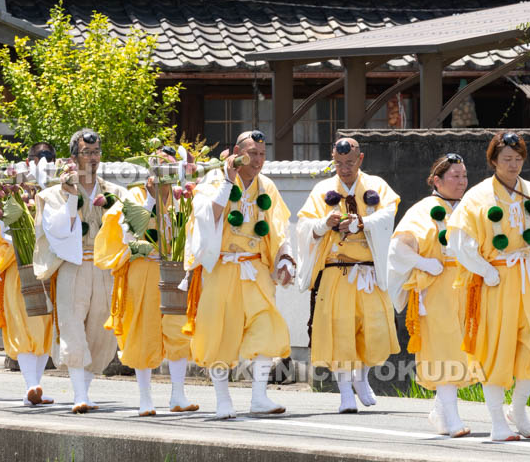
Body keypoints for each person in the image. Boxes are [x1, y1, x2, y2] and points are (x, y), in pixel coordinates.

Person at [447, 131, 530, 441]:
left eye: (518, 159)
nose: (513, 164)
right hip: (495, 281)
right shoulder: (477, 196)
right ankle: (497, 420)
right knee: (495, 349)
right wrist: (484, 270)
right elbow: (459, 241)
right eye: (507, 159)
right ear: (494, 160)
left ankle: (517, 408)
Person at [183, 131, 296, 418]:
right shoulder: (213, 179)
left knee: (267, 326)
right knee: (218, 332)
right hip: (221, 267)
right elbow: (208, 217)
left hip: (255, 267)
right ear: (237, 152)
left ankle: (259, 396)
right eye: (252, 154)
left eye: (262, 154)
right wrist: (228, 180)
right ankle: (223, 400)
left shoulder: (267, 186)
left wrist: (285, 259)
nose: (258, 160)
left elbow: (279, 226)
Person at [296, 138, 400, 414]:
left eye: (349, 162)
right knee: (340, 331)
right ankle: (345, 392)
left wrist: (363, 222)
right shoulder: (322, 189)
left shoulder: (377, 186)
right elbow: (304, 225)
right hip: (337, 272)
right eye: (339, 163)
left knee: (372, 328)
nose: (344, 168)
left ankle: (361, 378)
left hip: (368, 271)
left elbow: (388, 215)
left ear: (360, 159)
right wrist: (323, 224)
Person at [95, 145, 200, 416]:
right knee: (142, 331)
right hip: (143, 269)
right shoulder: (135, 194)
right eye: (158, 167)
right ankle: (145, 397)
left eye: (168, 167)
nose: (163, 173)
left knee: (178, 330)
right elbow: (130, 233)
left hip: (173, 269)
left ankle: (178, 394)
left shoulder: (181, 196)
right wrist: (151, 199)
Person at [33, 129, 124, 413]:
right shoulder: (54, 193)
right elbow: (58, 230)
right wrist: (72, 196)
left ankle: (85, 387)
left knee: (101, 328)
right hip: (73, 266)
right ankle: (79, 393)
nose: (93, 158)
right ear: (73, 157)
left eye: (96, 153)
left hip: (103, 268)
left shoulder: (114, 192)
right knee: (72, 326)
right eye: (86, 153)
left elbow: (127, 228)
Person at [387, 154, 476, 437]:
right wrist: (424, 263)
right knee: (444, 348)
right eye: (455, 176)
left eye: (464, 176)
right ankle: (452, 417)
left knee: (461, 349)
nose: (462, 181)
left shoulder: (471, 208)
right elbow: (398, 248)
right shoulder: (423, 209)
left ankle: (441, 412)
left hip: (466, 288)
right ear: (437, 180)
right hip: (435, 287)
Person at [0, 143, 58, 406]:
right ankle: (31, 384)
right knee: (23, 324)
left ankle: (35, 386)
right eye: (38, 159)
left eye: (49, 159)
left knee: (43, 326)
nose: (43, 163)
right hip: (18, 266)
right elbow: (0, 231)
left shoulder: (56, 190)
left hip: (46, 265)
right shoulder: (8, 193)